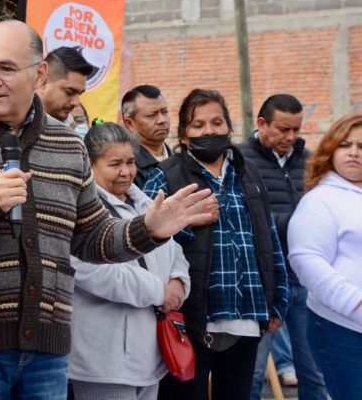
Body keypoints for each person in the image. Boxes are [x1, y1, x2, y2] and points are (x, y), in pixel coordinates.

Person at [0, 19, 216, 399]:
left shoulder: (67, 144)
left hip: (48, 353)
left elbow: (91, 237)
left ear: (39, 74)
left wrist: (147, 230)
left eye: (5, 68)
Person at [143, 88, 289, 400]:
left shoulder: (248, 174)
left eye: (217, 122)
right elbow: (143, 242)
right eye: (198, 125)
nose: (209, 131)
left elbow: (269, 239)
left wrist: (278, 299)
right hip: (191, 317)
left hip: (248, 312)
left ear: (228, 127)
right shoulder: (164, 177)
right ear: (184, 134)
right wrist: (185, 223)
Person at [68, 122, 191, 400]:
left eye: (130, 162)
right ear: (90, 164)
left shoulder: (146, 203)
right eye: (115, 164)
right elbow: (91, 271)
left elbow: (174, 251)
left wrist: (178, 284)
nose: (125, 172)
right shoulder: (81, 209)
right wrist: (159, 292)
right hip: (103, 358)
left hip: (150, 352)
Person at [238, 94, 327, 400]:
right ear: (261, 123)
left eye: (296, 130)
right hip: (261, 283)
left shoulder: (310, 161)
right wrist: (295, 222)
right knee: (251, 371)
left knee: (314, 370)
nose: (290, 137)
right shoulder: (238, 160)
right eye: (283, 129)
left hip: (304, 278)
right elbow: (243, 217)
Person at [288, 113, 362, 400]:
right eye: (344, 144)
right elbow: (307, 261)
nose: (353, 152)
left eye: (361, 146)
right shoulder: (320, 200)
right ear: (330, 150)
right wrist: (356, 304)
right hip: (343, 328)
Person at [121, 85, 172, 187]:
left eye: (164, 112)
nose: (162, 120)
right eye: (151, 115)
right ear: (130, 124)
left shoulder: (183, 160)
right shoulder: (126, 169)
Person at [36, 45, 94, 123]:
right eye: (69, 92)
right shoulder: (19, 116)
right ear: (44, 82)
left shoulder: (71, 128)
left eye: (79, 94)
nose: (76, 103)